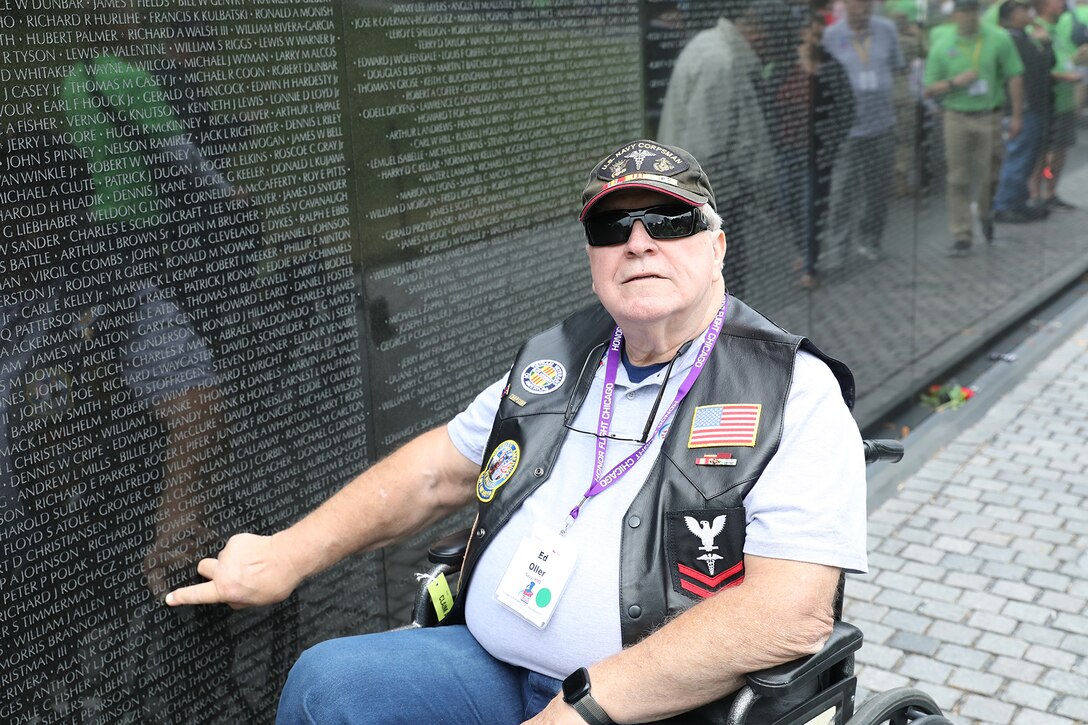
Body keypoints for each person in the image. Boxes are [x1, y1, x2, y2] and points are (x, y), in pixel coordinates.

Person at [167, 140, 868, 725]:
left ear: (717, 245)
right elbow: (437, 470)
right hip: (495, 665)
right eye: (611, 228)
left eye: (669, 220)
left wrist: (584, 706)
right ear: (593, 258)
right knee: (331, 684)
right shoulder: (560, 357)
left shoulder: (789, 389)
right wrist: (286, 554)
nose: (639, 242)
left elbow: (791, 611)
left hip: (653, 706)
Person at [657, 1, 778, 297]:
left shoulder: (712, 45)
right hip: (714, 198)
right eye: (772, 46)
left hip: (709, 193)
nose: (769, 57)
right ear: (760, 36)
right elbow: (705, 147)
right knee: (721, 287)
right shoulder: (721, 62)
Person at [924, 0, 1024, 256]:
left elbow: (1014, 74)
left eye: (973, 11)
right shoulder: (943, 45)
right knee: (957, 177)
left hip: (989, 115)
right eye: (964, 12)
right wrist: (953, 83)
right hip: (956, 116)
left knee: (991, 173)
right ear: (956, 15)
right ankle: (962, 233)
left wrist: (1016, 115)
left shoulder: (998, 38)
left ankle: (984, 211)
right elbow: (929, 87)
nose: (969, 17)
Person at [774, 12, 856, 287]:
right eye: (811, 30)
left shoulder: (830, 65)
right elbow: (768, 102)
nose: (815, 36)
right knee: (789, 205)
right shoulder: (783, 65)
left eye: (819, 32)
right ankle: (802, 250)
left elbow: (847, 107)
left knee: (811, 208)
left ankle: (810, 266)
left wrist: (830, 142)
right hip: (786, 149)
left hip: (816, 153)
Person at [822, 0, 906, 264]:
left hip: (881, 124)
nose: (861, 8)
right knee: (842, 190)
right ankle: (838, 247)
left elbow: (897, 68)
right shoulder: (832, 36)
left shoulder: (886, 30)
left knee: (876, 189)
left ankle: (870, 240)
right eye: (855, 3)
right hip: (848, 129)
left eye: (866, 3)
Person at [993, 0, 1055, 223]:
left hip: (1036, 106)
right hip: (1021, 108)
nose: (1029, 12)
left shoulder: (1025, 37)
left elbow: (1046, 65)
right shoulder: (1008, 39)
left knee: (1027, 158)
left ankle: (1018, 203)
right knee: (1018, 157)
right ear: (1009, 15)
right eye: (1022, 8)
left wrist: (1046, 43)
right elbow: (1029, 70)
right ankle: (1004, 205)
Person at [1031, 0, 1082, 211]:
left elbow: (1062, 60)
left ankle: (1051, 191)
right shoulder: (1034, 31)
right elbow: (1033, 69)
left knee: (1061, 148)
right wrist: (1063, 76)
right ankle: (1036, 193)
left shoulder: (1058, 30)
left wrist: (1078, 59)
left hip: (1065, 99)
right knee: (1042, 151)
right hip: (1048, 100)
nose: (1061, 3)